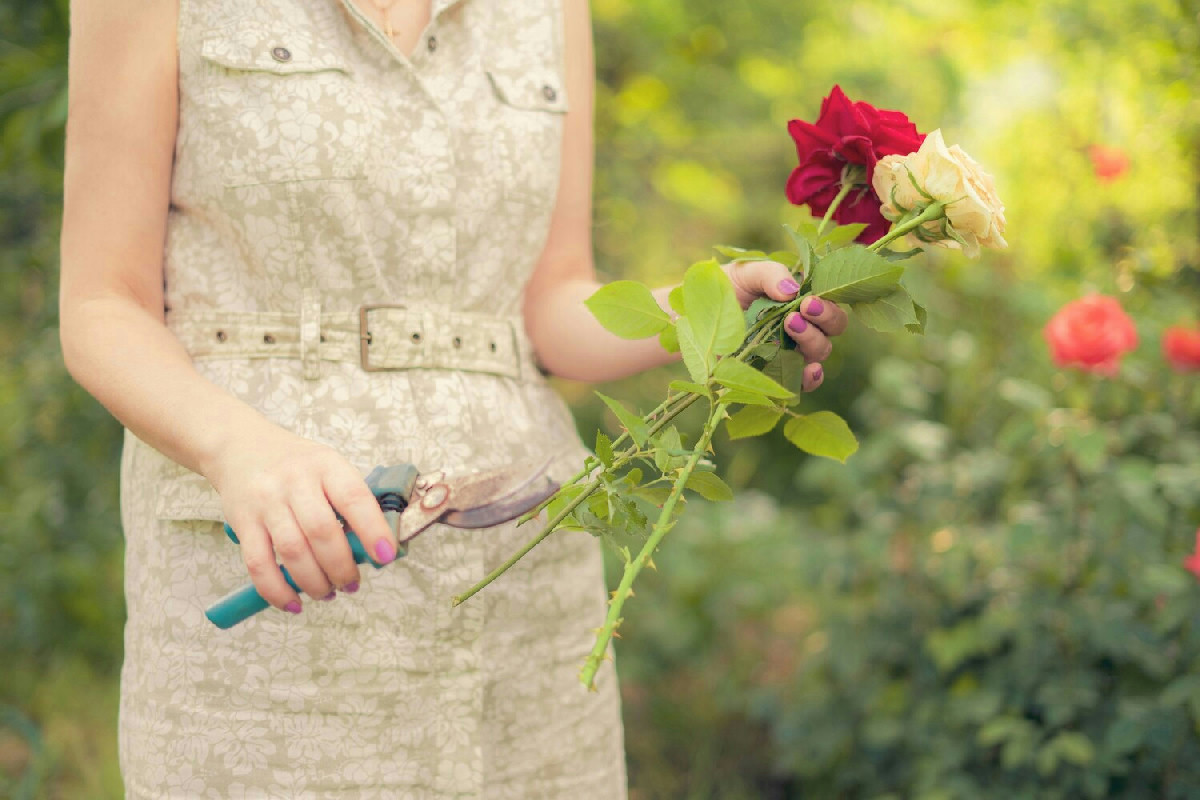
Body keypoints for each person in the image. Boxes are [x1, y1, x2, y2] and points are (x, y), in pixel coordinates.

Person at [58, 0, 848, 796]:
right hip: (273, 593)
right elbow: (101, 304)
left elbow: (547, 304)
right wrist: (237, 447)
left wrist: (712, 308)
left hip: (523, 583)